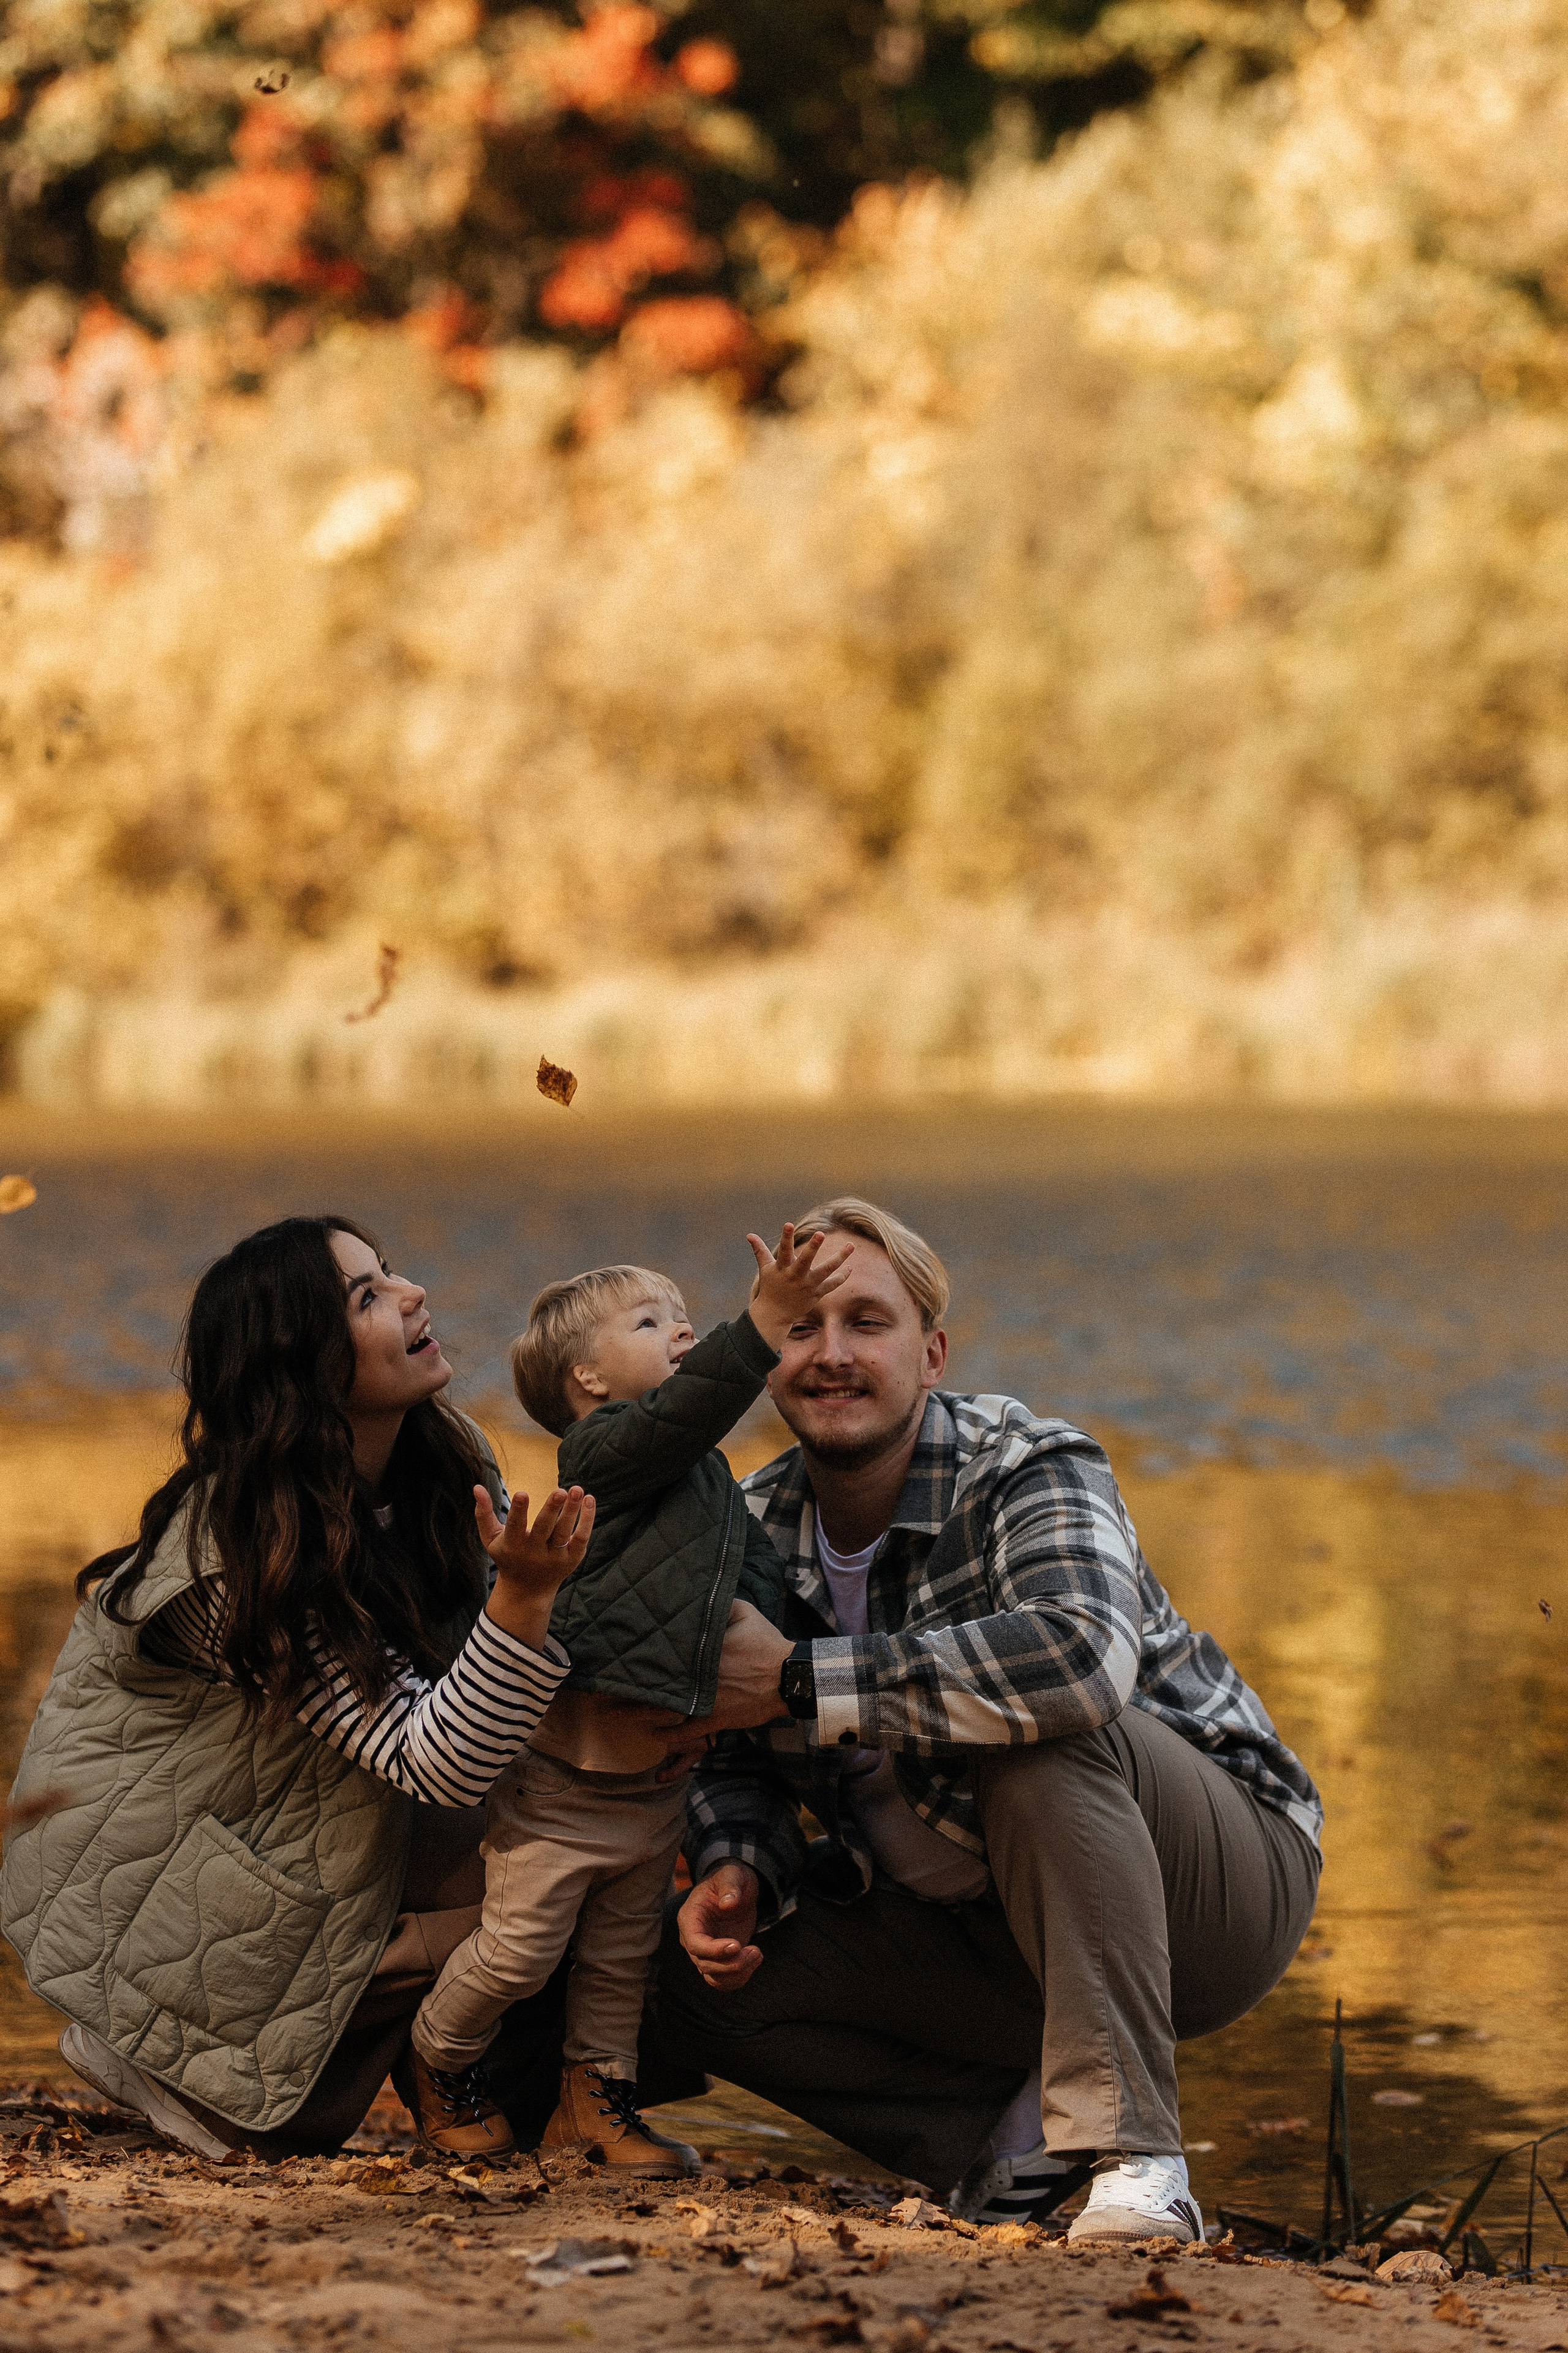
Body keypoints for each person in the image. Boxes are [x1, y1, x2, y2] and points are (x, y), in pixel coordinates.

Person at [639, 1197, 1323, 2243]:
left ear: (933, 1352)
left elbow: (1081, 1662)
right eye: (800, 1327)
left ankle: (1138, 2158)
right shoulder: (748, 1522)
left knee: (1037, 1731)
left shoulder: (1026, 1463)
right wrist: (742, 1862)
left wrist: (803, 1678)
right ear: (763, 1358)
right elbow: (734, 1751)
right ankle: (1009, 2153)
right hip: (986, 1925)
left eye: (867, 1322)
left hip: (1214, 1887)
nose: (830, 1354)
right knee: (683, 1972)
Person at [1, 1214, 594, 2162]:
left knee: (607, 1832)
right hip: (175, 1917)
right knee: (571, 1869)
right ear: (302, 1365)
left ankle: (478, 2076)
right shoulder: (234, 1564)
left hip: (302, 1839)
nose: (413, 1295)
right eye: (367, 1296)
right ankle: (156, 2045)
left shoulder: (439, 1466)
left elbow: (477, 1709)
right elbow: (433, 1757)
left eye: (392, 1272)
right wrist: (524, 1596)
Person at [409, 1223, 850, 2172]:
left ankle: (594, 2104)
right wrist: (759, 1328)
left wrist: (787, 1675)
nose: (682, 1331)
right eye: (652, 1321)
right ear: (589, 1382)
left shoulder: (704, 1481)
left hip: (653, 1790)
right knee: (520, 1953)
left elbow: (754, 1578)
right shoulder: (604, 1455)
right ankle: (440, 2057)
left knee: (619, 1962)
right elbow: (684, 1413)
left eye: (686, 1317)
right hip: (566, 1789)